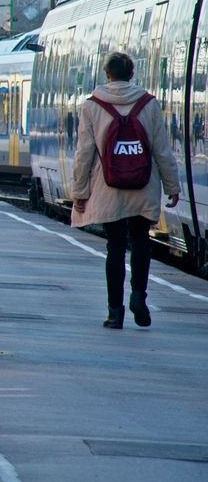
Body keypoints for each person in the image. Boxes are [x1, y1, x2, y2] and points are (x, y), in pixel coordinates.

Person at [71, 52, 180, 330]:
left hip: (108, 189)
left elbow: (84, 154)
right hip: (143, 186)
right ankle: (138, 296)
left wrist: (80, 192)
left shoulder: (92, 106)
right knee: (141, 241)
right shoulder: (149, 104)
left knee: (115, 248)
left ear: (107, 75)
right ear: (131, 74)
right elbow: (162, 150)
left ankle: (114, 312)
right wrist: (172, 185)